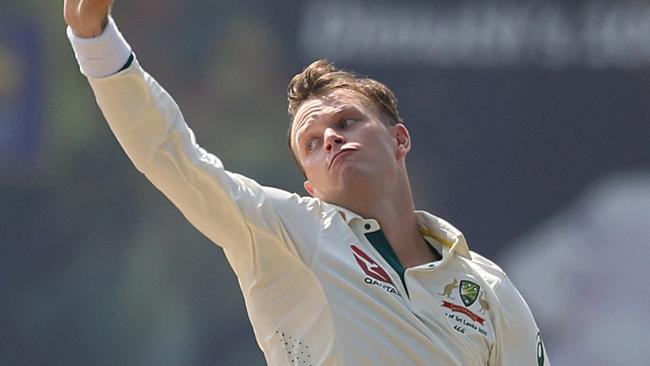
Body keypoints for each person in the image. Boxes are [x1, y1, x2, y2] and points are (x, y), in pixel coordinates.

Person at [64, 0, 550, 365]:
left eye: (346, 123)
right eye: (312, 142)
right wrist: (94, 41)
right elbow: (172, 156)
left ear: (400, 139)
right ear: (310, 186)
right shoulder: (288, 232)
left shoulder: (484, 286)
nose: (332, 140)